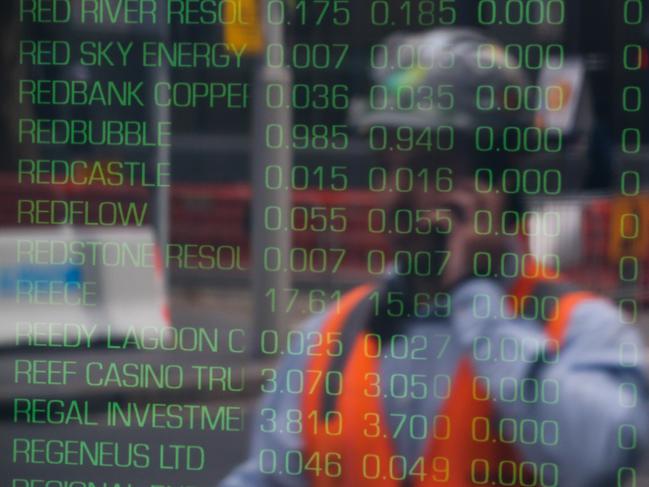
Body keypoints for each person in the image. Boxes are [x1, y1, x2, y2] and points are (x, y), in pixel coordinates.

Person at [221, 28, 649, 486]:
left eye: (429, 169)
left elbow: (602, 453)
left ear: (495, 189)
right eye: (388, 168)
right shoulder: (327, 343)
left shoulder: (580, 329)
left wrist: (476, 301)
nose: (395, 199)